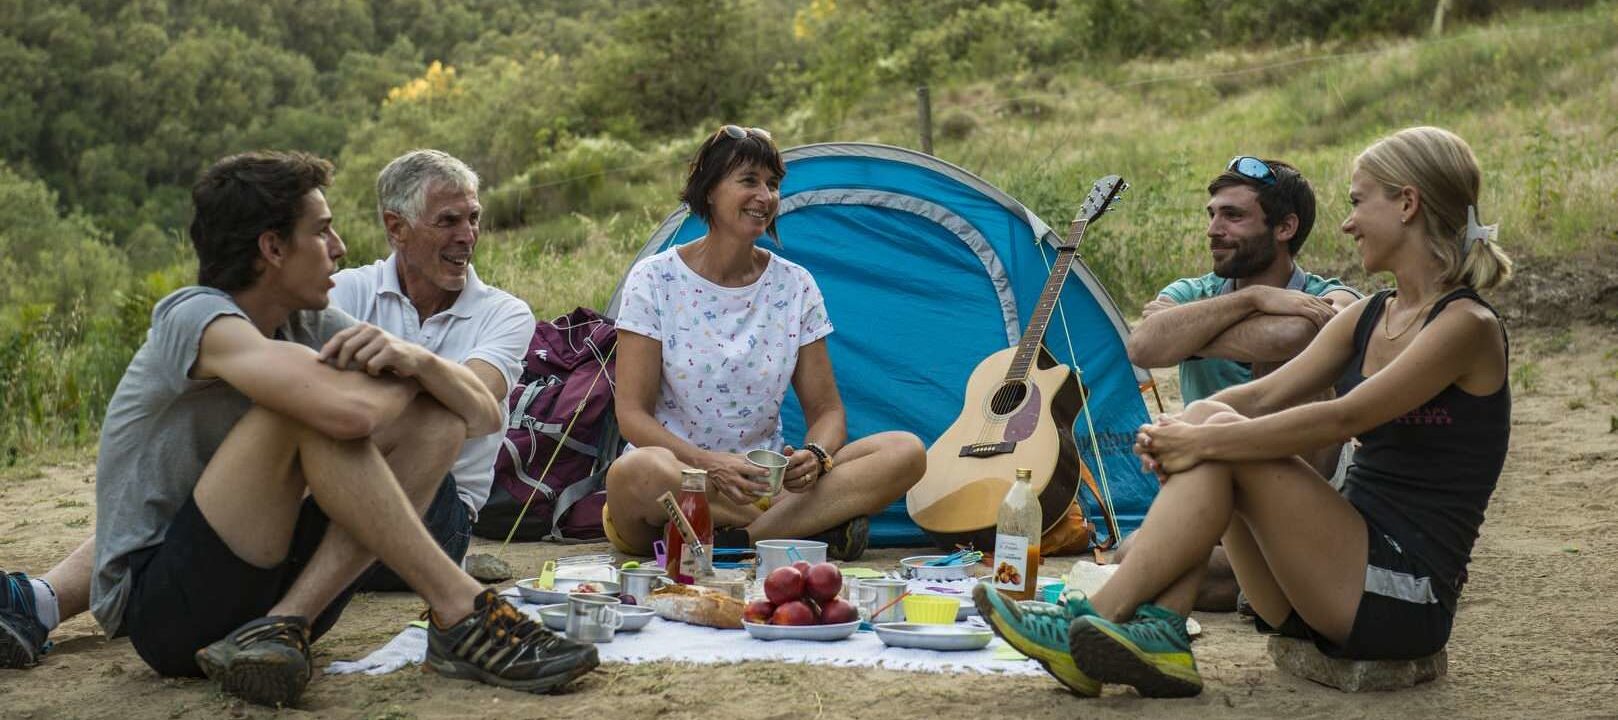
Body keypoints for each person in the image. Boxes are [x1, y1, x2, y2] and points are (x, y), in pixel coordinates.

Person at [0, 152, 596, 704]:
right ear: (273, 248)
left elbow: (481, 414)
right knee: (301, 412)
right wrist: (404, 377)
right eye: (321, 231)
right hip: (168, 612)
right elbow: (346, 414)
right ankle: (462, 610)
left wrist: (412, 362)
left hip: (276, 588)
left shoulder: (312, 320)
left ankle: (287, 625)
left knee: (435, 419)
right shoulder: (197, 315)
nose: (337, 248)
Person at [974, 126, 1512, 699]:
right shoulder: (1373, 314)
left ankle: (1102, 618)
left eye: (1358, 201)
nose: (1347, 222)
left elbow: (1342, 419)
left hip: (1401, 593)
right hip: (1321, 583)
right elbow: (1256, 396)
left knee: (1218, 437)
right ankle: (1162, 632)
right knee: (1212, 421)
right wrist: (1177, 430)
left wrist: (1204, 440)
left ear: (1407, 203)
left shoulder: (1465, 326)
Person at [602, 125, 926, 562]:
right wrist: (708, 464)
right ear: (710, 191)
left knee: (905, 451)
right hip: (678, 484)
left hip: (763, 490)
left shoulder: (794, 286)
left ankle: (742, 542)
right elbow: (632, 417)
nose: (766, 196)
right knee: (637, 470)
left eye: (772, 184)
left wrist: (816, 454)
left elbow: (828, 412)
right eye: (749, 181)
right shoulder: (655, 280)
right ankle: (803, 526)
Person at [1119, 158, 1361, 611]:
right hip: (1218, 494)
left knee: (1153, 570)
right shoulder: (1193, 290)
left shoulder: (1337, 295)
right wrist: (1254, 298)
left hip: (1307, 495)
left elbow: (1297, 336)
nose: (1213, 228)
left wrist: (1192, 339)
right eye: (1211, 214)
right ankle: (1272, 579)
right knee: (1129, 556)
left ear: (1285, 226)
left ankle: (1274, 573)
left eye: (1233, 215)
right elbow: (1145, 345)